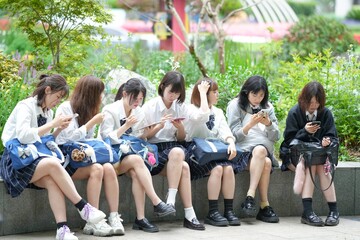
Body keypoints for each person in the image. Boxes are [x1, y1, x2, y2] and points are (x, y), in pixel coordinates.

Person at [0, 74, 106, 240]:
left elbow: (43, 141)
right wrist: (53, 124)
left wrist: (58, 129)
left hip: (34, 158)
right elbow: (23, 136)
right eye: (57, 97)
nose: (57, 101)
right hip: (16, 161)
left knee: (52, 181)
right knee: (52, 164)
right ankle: (83, 206)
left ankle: (62, 230)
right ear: (47, 90)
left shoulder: (47, 113)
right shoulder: (25, 106)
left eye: (60, 98)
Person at [98, 78, 176, 233]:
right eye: (135, 98)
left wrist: (155, 128)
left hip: (129, 156)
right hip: (111, 157)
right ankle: (156, 201)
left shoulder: (138, 111)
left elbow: (139, 138)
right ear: (125, 94)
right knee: (136, 161)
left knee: (136, 171)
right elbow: (106, 138)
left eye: (141, 99)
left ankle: (140, 218)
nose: (138, 102)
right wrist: (126, 126)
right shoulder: (110, 110)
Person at [55, 75, 124, 236]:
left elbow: (88, 140)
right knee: (98, 169)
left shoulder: (90, 110)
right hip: (67, 160)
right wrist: (91, 123)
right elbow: (66, 138)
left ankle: (114, 215)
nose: (101, 97)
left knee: (108, 167)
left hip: (83, 158)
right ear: (91, 93)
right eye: (100, 93)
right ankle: (93, 222)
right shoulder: (66, 108)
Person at [141, 71, 205, 230]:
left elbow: (182, 137)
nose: (173, 96)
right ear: (162, 86)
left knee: (178, 152)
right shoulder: (150, 106)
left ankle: (171, 202)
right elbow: (143, 137)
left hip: (173, 148)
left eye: (177, 93)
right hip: (153, 149)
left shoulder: (180, 107)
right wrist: (158, 127)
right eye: (171, 91)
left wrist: (181, 128)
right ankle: (188, 214)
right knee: (183, 166)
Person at [279, 81, 339, 227]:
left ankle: (333, 212)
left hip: (319, 156)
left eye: (317, 103)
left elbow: (333, 137)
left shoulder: (325, 113)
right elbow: (288, 140)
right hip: (296, 156)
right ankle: (308, 212)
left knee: (320, 167)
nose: (314, 106)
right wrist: (304, 132)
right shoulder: (295, 112)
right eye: (311, 102)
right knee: (310, 165)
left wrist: (327, 141)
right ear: (304, 100)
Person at [184, 78, 241, 227]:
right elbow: (202, 116)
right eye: (214, 92)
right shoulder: (190, 109)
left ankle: (228, 210)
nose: (217, 95)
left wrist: (231, 143)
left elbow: (225, 132)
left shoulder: (218, 112)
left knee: (228, 169)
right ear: (204, 93)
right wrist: (202, 93)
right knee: (216, 169)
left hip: (214, 151)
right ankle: (213, 212)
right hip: (195, 152)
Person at [226, 75, 280, 223]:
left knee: (261, 151)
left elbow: (276, 137)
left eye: (261, 95)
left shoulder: (268, 107)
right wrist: (249, 125)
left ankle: (250, 198)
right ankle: (263, 205)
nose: (257, 99)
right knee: (266, 163)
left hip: (261, 150)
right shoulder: (235, 105)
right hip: (242, 151)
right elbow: (233, 136)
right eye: (254, 94)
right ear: (246, 92)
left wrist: (269, 123)